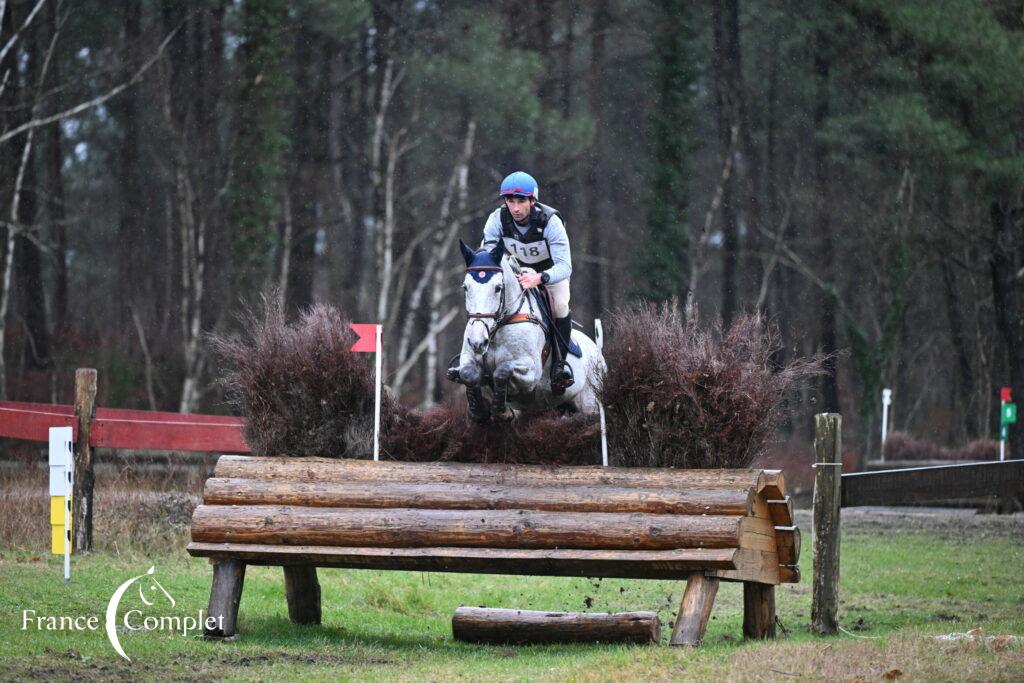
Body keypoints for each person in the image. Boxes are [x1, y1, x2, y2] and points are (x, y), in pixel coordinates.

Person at [480, 171, 574, 392]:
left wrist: (539, 278)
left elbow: (565, 266)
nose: (515, 208)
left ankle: (559, 366)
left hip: (549, 275)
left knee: (560, 305)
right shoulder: (497, 219)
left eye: (521, 201)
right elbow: (487, 254)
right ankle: (475, 357)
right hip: (515, 275)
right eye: (510, 201)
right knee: (485, 300)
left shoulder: (550, 222)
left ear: (533, 200)